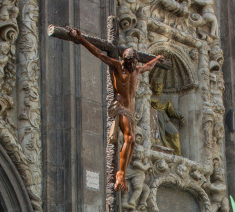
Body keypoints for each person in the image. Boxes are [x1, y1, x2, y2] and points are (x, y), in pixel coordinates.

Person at [66, 26, 164, 192]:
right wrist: (81, 39)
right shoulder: (118, 67)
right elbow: (98, 53)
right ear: (125, 60)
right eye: (130, 63)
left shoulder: (136, 71)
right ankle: (120, 174)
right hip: (120, 108)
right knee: (129, 138)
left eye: (135, 63)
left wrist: (156, 59)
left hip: (130, 112)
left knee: (132, 142)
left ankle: (122, 171)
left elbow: (148, 66)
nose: (133, 65)